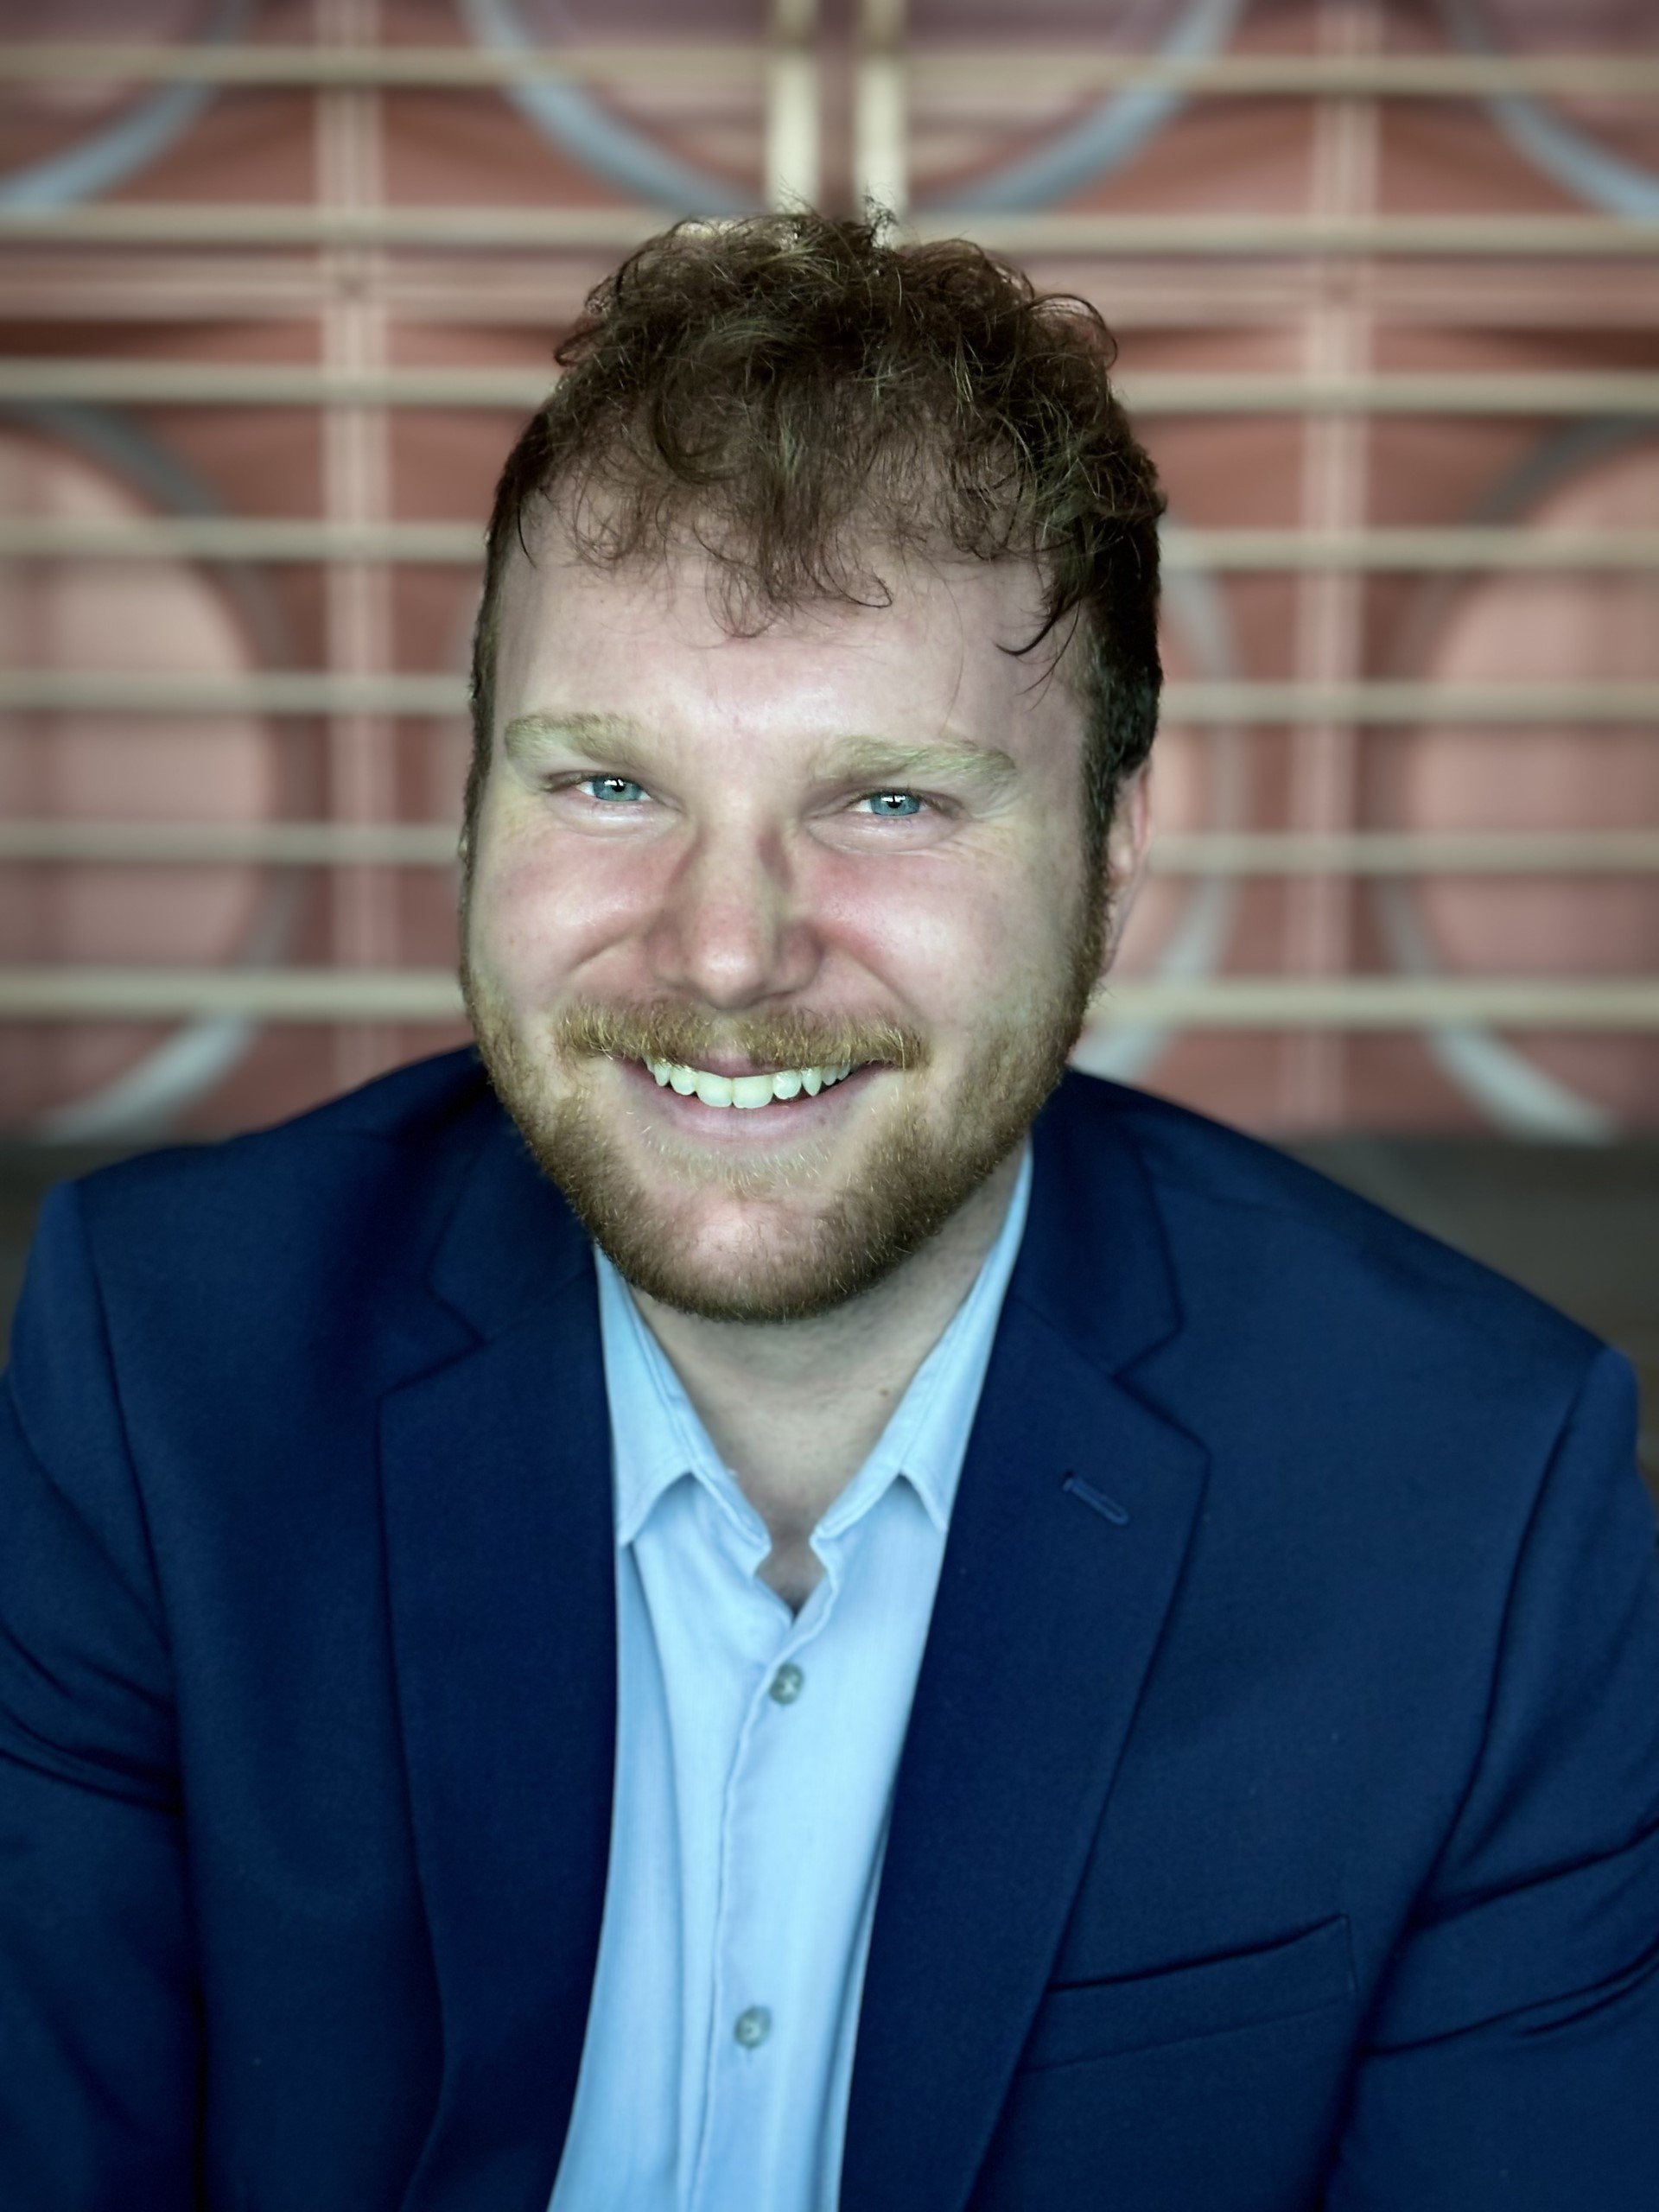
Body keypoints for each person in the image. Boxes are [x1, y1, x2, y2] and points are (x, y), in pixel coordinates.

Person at [2, 212, 1656, 2212]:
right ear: (472, 798)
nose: (722, 951)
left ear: (1115, 846)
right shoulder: (157, 1371)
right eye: (608, 783)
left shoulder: (1482, 1507)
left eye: (891, 799)